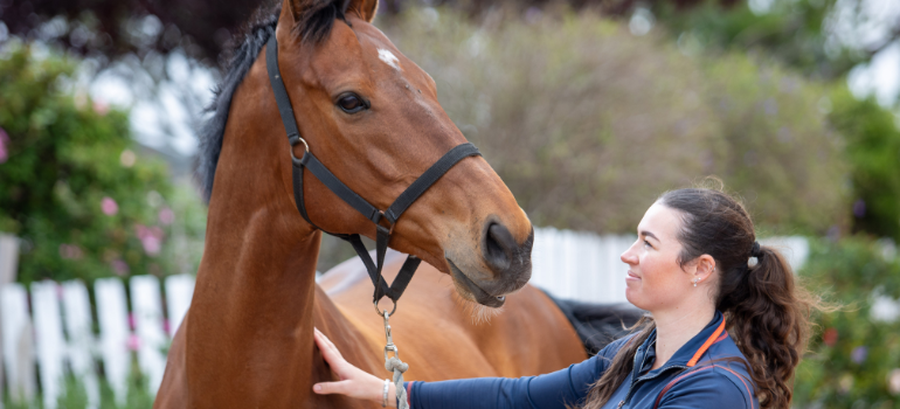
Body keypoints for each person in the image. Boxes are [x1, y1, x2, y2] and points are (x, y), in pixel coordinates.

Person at [311, 185, 819, 409]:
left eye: (647, 243)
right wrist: (390, 392)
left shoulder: (713, 390)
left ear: (699, 269)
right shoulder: (637, 354)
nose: (627, 255)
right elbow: (521, 396)